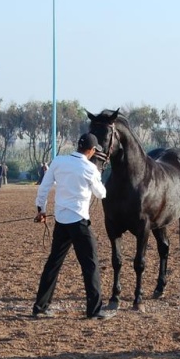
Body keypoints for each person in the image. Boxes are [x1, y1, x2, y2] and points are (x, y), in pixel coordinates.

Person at [32, 133, 114, 320]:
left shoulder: (58, 161)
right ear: (92, 151)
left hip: (61, 222)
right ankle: (94, 310)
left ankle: (40, 307)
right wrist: (98, 177)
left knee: (53, 264)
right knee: (91, 265)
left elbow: (44, 187)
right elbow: (101, 194)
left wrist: (41, 210)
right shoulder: (90, 168)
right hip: (79, 223)